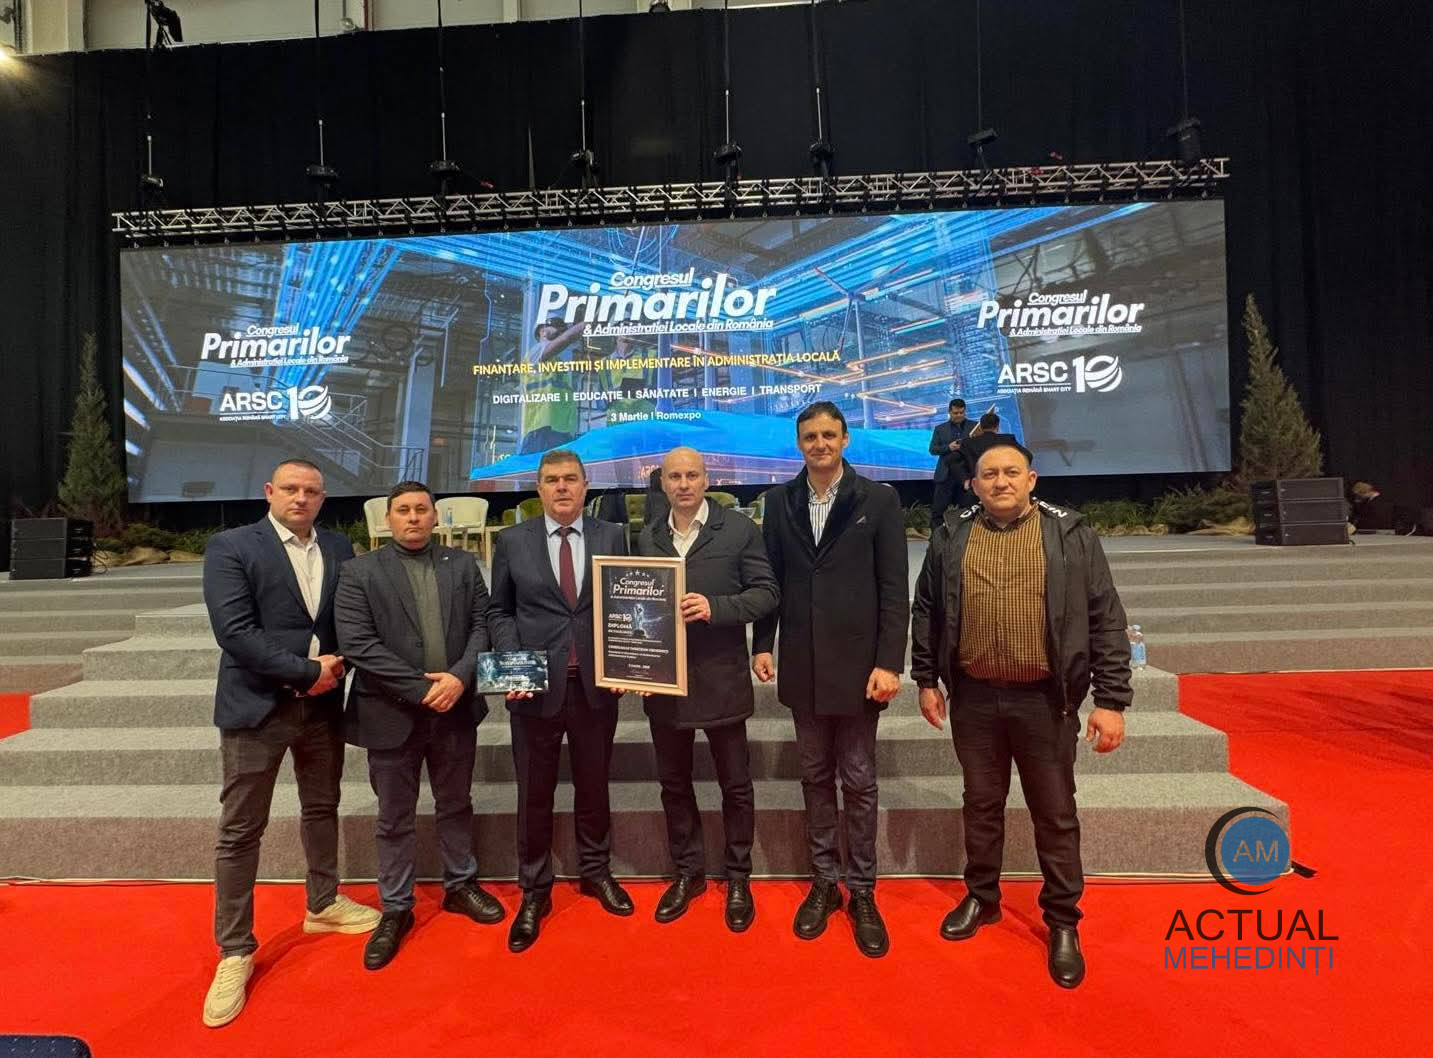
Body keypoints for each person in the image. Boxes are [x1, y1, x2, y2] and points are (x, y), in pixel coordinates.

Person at [909, 435, 1131, 989]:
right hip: (975, 698)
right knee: (981, 805)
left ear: (1031, 480)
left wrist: (1111, 700)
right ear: (973, 484)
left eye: (1011, 472)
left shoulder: (1069, 533)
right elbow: (928, 609)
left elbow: (1105, 616)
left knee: (1054, 814)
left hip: (1046, 702)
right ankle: (982, 897)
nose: (1000, 482)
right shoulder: (952, 534)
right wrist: (926, 679)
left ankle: (1062, 921)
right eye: (989, 474)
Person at [200, 458, 380, 1028]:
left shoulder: (339, 547)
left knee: (322, 807)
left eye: (312, 491)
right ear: (269, 492)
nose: (301, 498)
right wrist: (307, 673)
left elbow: (349, 621)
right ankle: (235, 950)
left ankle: (323, 902)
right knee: (240, 830)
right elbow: (234, 632)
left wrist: (346, 665)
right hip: (258, 705)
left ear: (323, 498)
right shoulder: (232, 547)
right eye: (291, 489)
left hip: (322, 707)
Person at [751, 402, 909, 958]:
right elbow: (771, 580)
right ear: (799, 444)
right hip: (803, 663)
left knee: (859, 781)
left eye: (828, 435)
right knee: (815, 776)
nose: (819, 444)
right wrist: (762, 643)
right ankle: (824, 881)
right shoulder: (779, 502)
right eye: (810, 436)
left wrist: (890, 662)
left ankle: (862, 889)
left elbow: (894, 589)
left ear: (844, 440)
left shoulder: (879, 499)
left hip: (861, 667)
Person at [335, 480, 504, 971]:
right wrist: (421, 688)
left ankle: (460, 884)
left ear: (435, 516)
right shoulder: (359, 571)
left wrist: (460, 676)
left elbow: (483, 625)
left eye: (421, 509)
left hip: (455, 707)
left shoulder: (462, 565)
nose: (413, 517)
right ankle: (396, 906)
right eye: (403, 510)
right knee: (394, 816)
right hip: (390, 713)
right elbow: (358, 644)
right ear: (388, 519)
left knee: (456, 803)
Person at [487, 449, 633, 951]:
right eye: (552, 480)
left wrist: (626, 661)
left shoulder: (612, 536)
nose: (562, 487)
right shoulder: (512, 541)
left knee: (594, 785)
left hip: (595, 686)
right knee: (534, 793)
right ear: (539, 488)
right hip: (535, 688)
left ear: (586, 485)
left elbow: (625, 603)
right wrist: (513, 664)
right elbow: (500, 611)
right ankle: (534, 891)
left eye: (571, 478)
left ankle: (596, 872)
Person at [631, 446, 779, 930]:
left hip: (721, 679)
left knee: (735, 786)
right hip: (664, 685)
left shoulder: (737, 529)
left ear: (707, 478)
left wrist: (718, 607)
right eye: (674, 477)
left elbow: (767, 593)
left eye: (692, 475)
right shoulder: (648, 537)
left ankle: (738, 877)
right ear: (662, 483)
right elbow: (633, 606)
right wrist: (632, 665)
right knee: (673, 785)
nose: (684, 484)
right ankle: (688, 872)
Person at [928, 399, 974, 522]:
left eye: (961, 412)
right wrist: (948, 447)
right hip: (945, 475)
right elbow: (933, 449)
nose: (959, 415)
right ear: (949, 412)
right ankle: (936, 534)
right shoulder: (940, 428)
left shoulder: (974, 427)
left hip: (966, 474)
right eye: (955, 413)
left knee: (968, 510)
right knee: (938, 511)